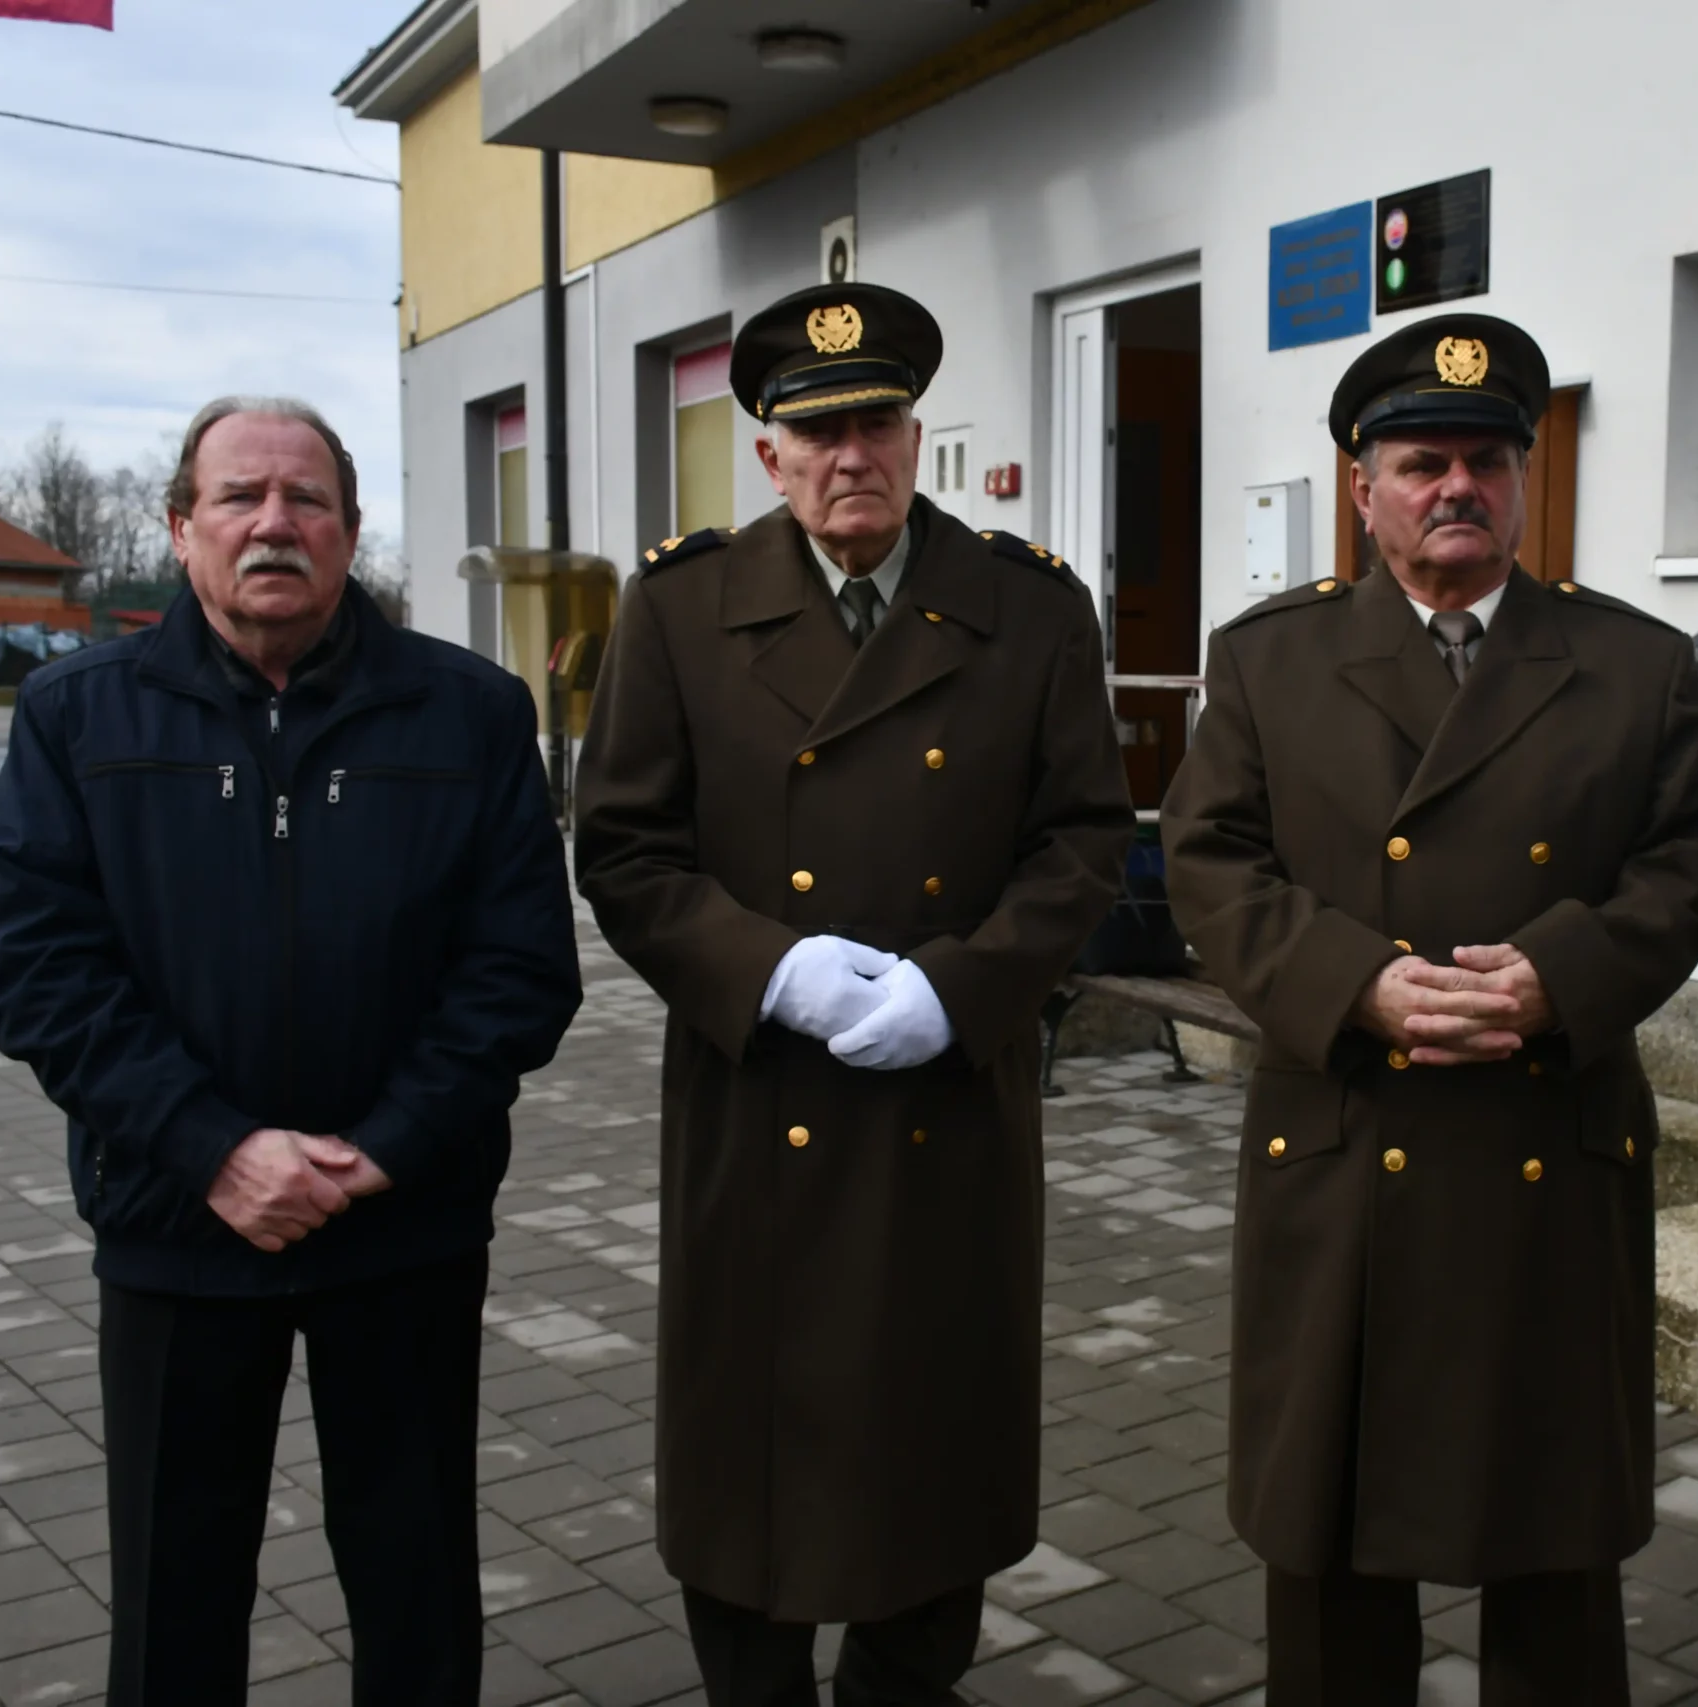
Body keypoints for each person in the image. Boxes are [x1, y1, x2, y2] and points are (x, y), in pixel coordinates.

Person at [0, 397, 583, 1706]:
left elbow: (520, 970)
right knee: (174, 1603)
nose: (273, 523)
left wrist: (387, 1151)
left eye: (306, 500)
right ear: (181, 526)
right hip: (179, 1229)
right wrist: (214, 1148)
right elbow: (34, 965)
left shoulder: (470, 715)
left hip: (403, 1228)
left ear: (351, 533)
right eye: (239, 496)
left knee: (416, 1595)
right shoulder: (77, 715)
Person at [1161, 313, 1698, 1703]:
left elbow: (1689, 864)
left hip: (1549, 1141)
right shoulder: (1267, 661)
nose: (1456, 487)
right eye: (1422, 461)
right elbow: (1209, 858)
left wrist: (1563, 976)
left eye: (1486, 459)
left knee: (1553, 1543)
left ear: (1523, 479)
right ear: (1363, 487)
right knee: (1331, 1540)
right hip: (1352, 1136)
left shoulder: (1632, 662)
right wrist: (1351, 978)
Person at [572, 282, 1133, 1707]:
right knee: (745, 1458)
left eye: (874, 421)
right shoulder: (685, 606)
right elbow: (624, 848)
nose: (849, 456)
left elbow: (1083, 842)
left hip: (950, 1102)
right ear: (767, 453)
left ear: (915, 433)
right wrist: (775, 967)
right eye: (814, 431)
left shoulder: (1026, 604)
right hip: (761, 1102)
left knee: (933, 1450)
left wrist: (969, 991)